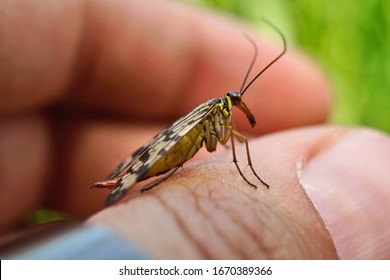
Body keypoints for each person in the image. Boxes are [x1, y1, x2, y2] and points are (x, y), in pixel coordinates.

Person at [1, 0, 389, 259]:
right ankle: (127, 177)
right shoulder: (214, 112)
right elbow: (186, 144)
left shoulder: (224, 113)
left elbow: (222, 142)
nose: (239, 112)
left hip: (176, 147)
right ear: (230, 102)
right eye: (237, 104)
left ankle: (128, 177)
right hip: (170, 148)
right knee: (222, 143)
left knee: (234, 139)